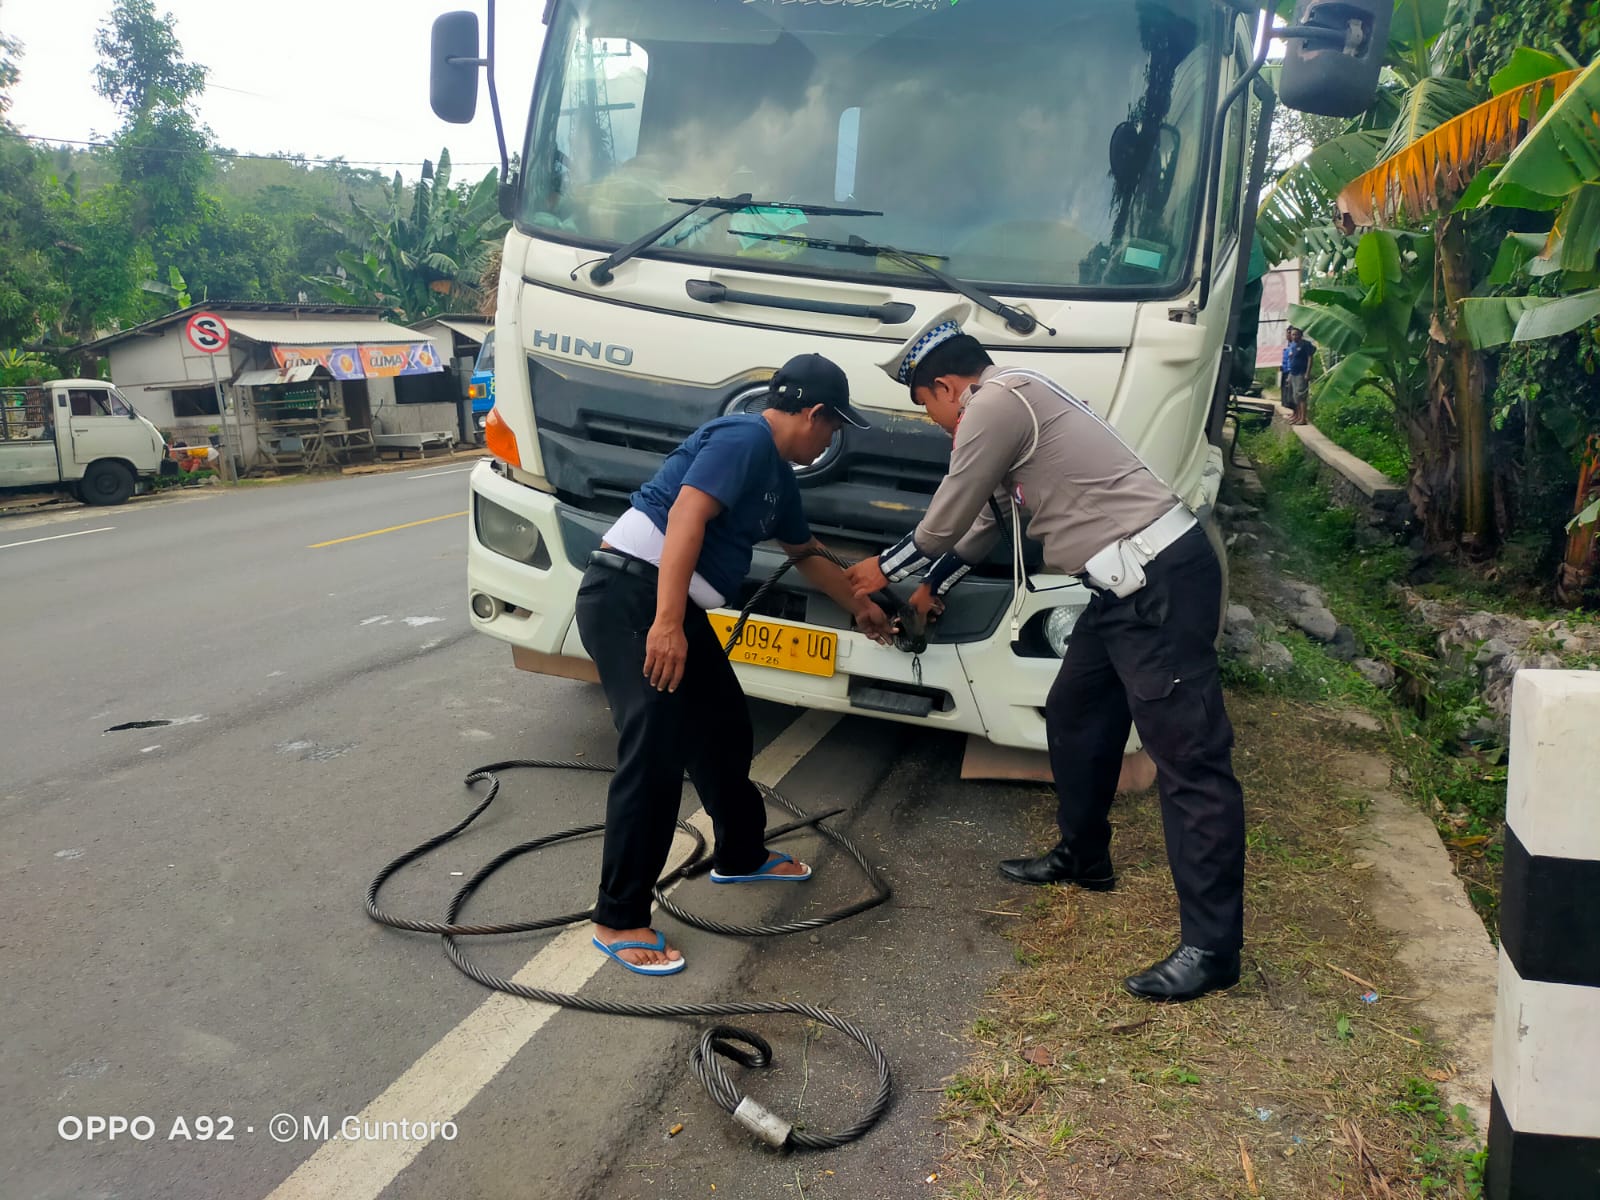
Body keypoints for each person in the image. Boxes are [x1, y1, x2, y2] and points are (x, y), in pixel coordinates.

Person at [844, 305, 1247, 1002]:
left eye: (926, 407)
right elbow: (982, 528)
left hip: (1157, 582)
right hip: (1122, 589)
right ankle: (1086, 856)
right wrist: (928, 590)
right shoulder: (1017, 405)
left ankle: (1212, 949)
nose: (938, 424)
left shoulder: (997, 401)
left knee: (1190, 762)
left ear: (944, 386)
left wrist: (887, 567)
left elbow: (948, 513)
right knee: (1076, 713)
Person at [575, 353, 893, 976]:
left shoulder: (778, 476)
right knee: (657, 749)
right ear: (814, 413)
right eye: (833, 428)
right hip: (633, 597)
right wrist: (667, 623)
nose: (831, 440)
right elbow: (688, 513)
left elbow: (805, 554)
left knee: (723, 730)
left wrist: (863, 608)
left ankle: (741, 854)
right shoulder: (745, 435)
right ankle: (619, 916)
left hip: (669, 602)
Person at [1282, 327, 1316, 426]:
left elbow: (1310, 358)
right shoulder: (1293, 345)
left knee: (1301, 396)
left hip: (1301, 373)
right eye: (1293, 334)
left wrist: (1307, 373)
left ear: (1301, 335)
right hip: (1293, 373)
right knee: (1295, 397)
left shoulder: (1305, 344)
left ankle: (1303, 418)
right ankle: (1297, 416)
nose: (1294, 336)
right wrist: (1289, 375)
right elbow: (1291, 360)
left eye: (1296, 334)